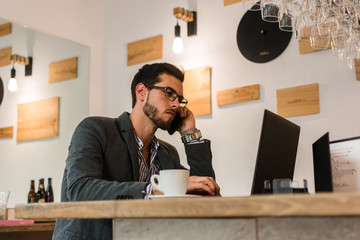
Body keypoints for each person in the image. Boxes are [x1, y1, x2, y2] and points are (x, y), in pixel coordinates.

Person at [52, 63, 220, 240]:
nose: (176, 104)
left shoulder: (167, 153)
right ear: (141, 92)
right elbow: (81, 190)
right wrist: (153, 190)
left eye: (179, 98)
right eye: (169, 93)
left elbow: (204, 192)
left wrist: (190, 134)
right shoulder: (95, 129)